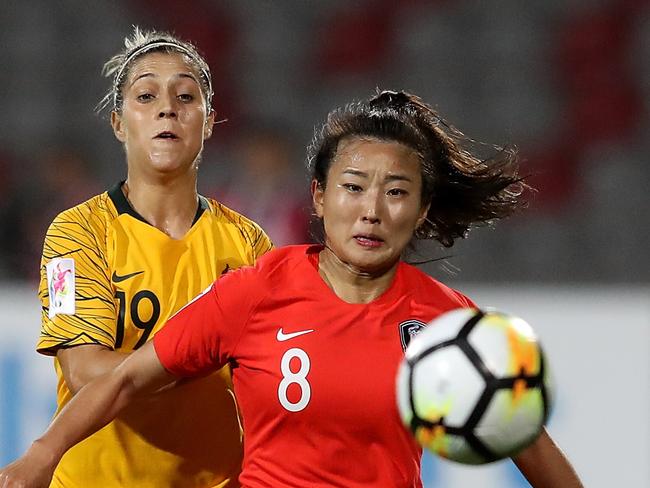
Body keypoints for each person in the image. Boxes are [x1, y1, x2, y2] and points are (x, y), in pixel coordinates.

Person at [0, 91, 582, 488]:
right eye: (353, 187)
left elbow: (526, 440)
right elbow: (126, 380)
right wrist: (42, 455)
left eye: (397, 193)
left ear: (423, 208)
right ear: (319, 198)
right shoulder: (258, 291)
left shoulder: (450, 325)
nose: (371, 211)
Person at [28, 27, 272, 488]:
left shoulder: (251, 243)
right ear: (119, 123)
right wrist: (198, 354)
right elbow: (83, 371)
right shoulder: (75, 233)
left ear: (209, 120)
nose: (167, 108)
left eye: (185, 96)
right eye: (145, 96)